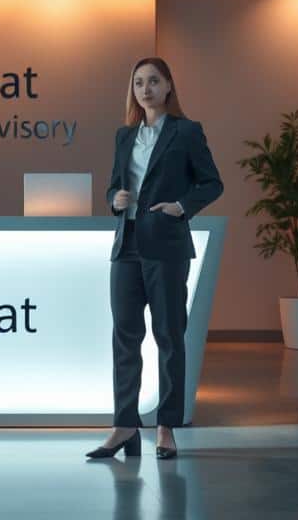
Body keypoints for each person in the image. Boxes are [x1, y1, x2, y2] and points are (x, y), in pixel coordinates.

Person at [86, 57, 223, 460]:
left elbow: (212, 182)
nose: (145, 89)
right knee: (124, 339)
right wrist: (115, 200)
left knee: (168, 337)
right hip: (126, 246)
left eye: (153, 81)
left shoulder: (186, 132)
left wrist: (182, 206)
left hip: (166, 247)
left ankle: (167, 426)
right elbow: (114, 185)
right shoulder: (124, 136)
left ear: (168, 87)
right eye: (138, 82)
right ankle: (125, 426)